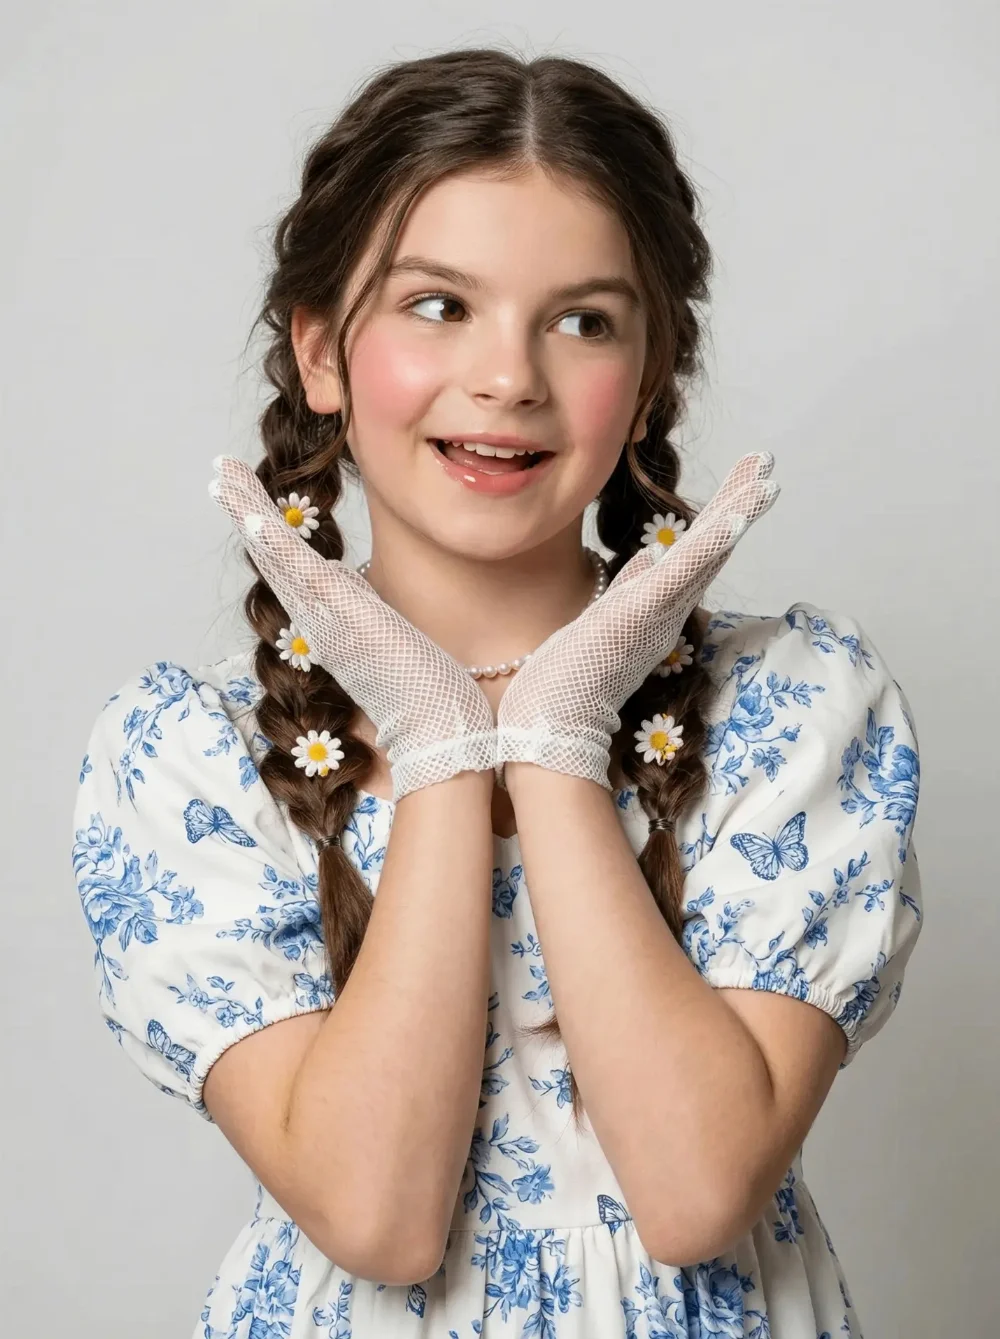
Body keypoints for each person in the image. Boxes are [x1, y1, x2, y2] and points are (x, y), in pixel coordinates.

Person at [70, 46, 923, 1338]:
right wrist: (437, 740)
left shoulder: (794, 707)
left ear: (651, 375)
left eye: (583, 321)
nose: (510, 376)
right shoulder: (191, 757)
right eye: (438, 305)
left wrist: (558, 734)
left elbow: (698, 1193)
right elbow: (380, 1217)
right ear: (321, 352)